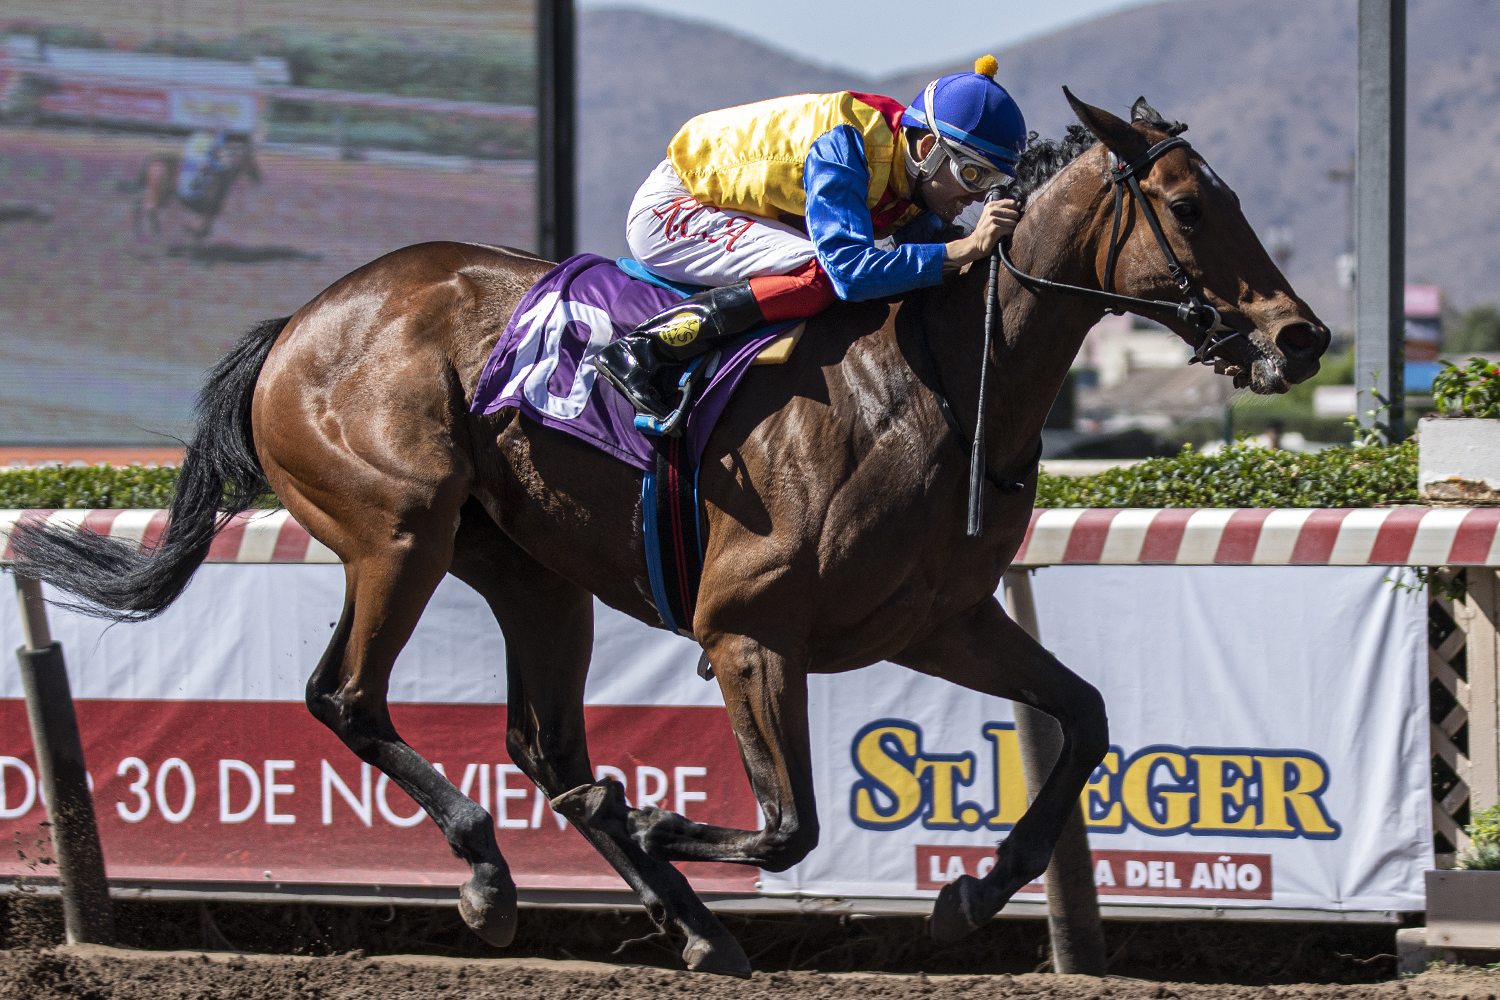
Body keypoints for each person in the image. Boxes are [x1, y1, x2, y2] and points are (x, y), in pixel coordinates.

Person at [595, 56, 1028, 421]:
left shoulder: (911, 171)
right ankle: (642, 350)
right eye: (972, 174)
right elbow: (849, 273)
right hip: (676, 206)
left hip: (724, 206)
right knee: (817, 274)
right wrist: (962, 249)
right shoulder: (846, 147)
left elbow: (928, 255)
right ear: (927, 148)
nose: (976, 196)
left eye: (991, 182)